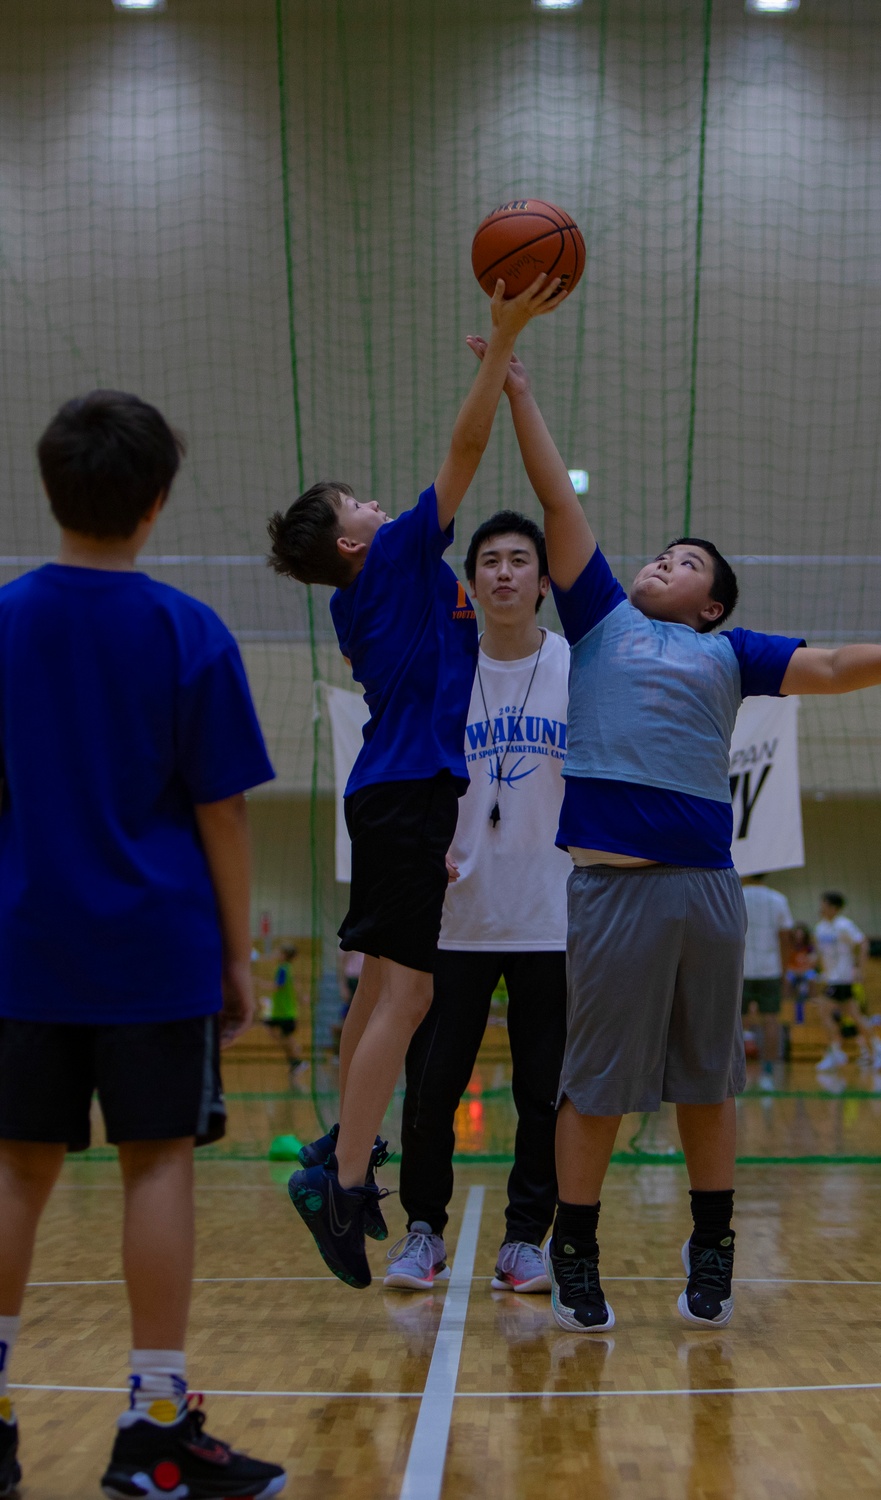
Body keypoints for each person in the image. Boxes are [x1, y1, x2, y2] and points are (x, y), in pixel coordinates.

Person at [469, 339, 881, 1335]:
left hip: (704, 889)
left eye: (685, 563)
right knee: (596, 1087)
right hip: (610, 889)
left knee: (706, 1080)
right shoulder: (600, 619)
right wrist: (520, 389)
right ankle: (574, 1242)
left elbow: (823, 667)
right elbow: (559, 507)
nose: (663, 561)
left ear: (713, 603)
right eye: (663, 553)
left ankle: (714, 1241)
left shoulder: (731, 655)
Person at [0, 392, 284, 1498]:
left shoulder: (7, 622)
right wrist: (236, 955)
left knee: (17, 1170)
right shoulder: (187, 632)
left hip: (26, 946)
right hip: (156, 948)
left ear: (49, 485)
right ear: (158, 503)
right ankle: (156, 1427)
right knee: (155, 1162)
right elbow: (223, 812)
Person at [266, 273, 566, 1292]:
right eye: (364, 505)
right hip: (405, 791)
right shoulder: (391, 563)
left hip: (395, 792)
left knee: (387, 988)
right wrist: (505, 337)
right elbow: (465, 453)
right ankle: (346, 1184)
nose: (382, 506)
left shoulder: (373, 587)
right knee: (411, 992)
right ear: (355, 541)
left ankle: (330, 1150)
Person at [385, 510, 571, 1294]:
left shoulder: (577, 665)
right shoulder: (444, 668)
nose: (502, 573)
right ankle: (421, 1229)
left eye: (518, 560)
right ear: (471, 582)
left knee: (545, 1093)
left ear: (542, 578)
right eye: (488, 560)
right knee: (431, 1088)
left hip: (554, 917)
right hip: (452, 920)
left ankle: (527, 1239)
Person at [814, 892, 881, 1072]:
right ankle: (879, 1047)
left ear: (833, 908)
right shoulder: (820, 928)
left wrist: (859, 968)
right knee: (855, 1015)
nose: (821, 907)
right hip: (831, 978)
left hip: (841, 978)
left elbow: (863, 943)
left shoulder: (844, 925)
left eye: (824, 904)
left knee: (824, 1011)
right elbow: (822, 954)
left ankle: (836, 1051)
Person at [741, 874, 794, 1091]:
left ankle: (737, 1073)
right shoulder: (778, 899)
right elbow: (785, 939)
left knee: (737, 1022)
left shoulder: (737, 895)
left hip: (741, 970)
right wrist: (785, 972)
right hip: (770, 970)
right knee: (771, 1019)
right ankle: (768, 1072)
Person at [261, 944, 307, 1085]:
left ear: (284, 955)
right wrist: (301, 997)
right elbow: (295, 985)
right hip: (280, 1011)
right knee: (275, 1032)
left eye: (278, 952)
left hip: (285, 1012)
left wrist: (259, 983)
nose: (275, 954)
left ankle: (297, 1057)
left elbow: (278, 985)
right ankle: (294, 1059)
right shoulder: (288, 969)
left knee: (285, 1036)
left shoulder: (283, 968)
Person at [786, 923, 818, 1024]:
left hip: (805, 970)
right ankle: (787, 1001)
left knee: (812, 976)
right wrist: (795, 970)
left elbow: (812, 962)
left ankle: (813, 999)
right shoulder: (790, 947)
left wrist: (804, 969)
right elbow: (787, 963)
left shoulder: (809, 948)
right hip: (794, 970)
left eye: (801, 935)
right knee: (787, 978)